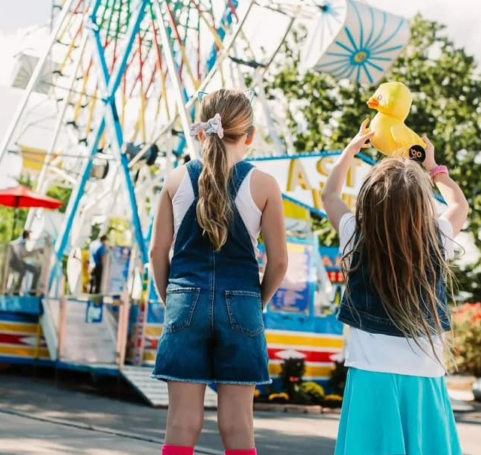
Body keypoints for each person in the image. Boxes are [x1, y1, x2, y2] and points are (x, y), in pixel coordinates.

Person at [149, 89, 288, 455]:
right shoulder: (264, 185)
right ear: (250, 136)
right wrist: (256, 302)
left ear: (200, 133)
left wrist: (173, 300)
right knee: (238, 424)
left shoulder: (175, 181)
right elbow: (278, 262)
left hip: (184, 299)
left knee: (181, 423)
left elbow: (156, 251)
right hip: (242, 303)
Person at [322, 120, 469, 455]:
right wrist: (433, 168)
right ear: (422, 205)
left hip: (370, 374)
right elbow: (460, 205)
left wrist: (350, 150)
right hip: (424, 376)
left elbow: (330, 195)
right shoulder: (436, 240)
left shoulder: (356, 236)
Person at [10, 230, 41, 294]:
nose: (30, 237)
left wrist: (34, 252)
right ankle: (18, 290)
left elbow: (24, 254)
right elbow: (23, 254)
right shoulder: (21, 242)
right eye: (29, 236)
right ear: (27, 235)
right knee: (23, 271)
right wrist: (35, 251)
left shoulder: (22, 242)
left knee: (34, 271)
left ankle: (30, 289)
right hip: (15, 262)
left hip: (19, 262)